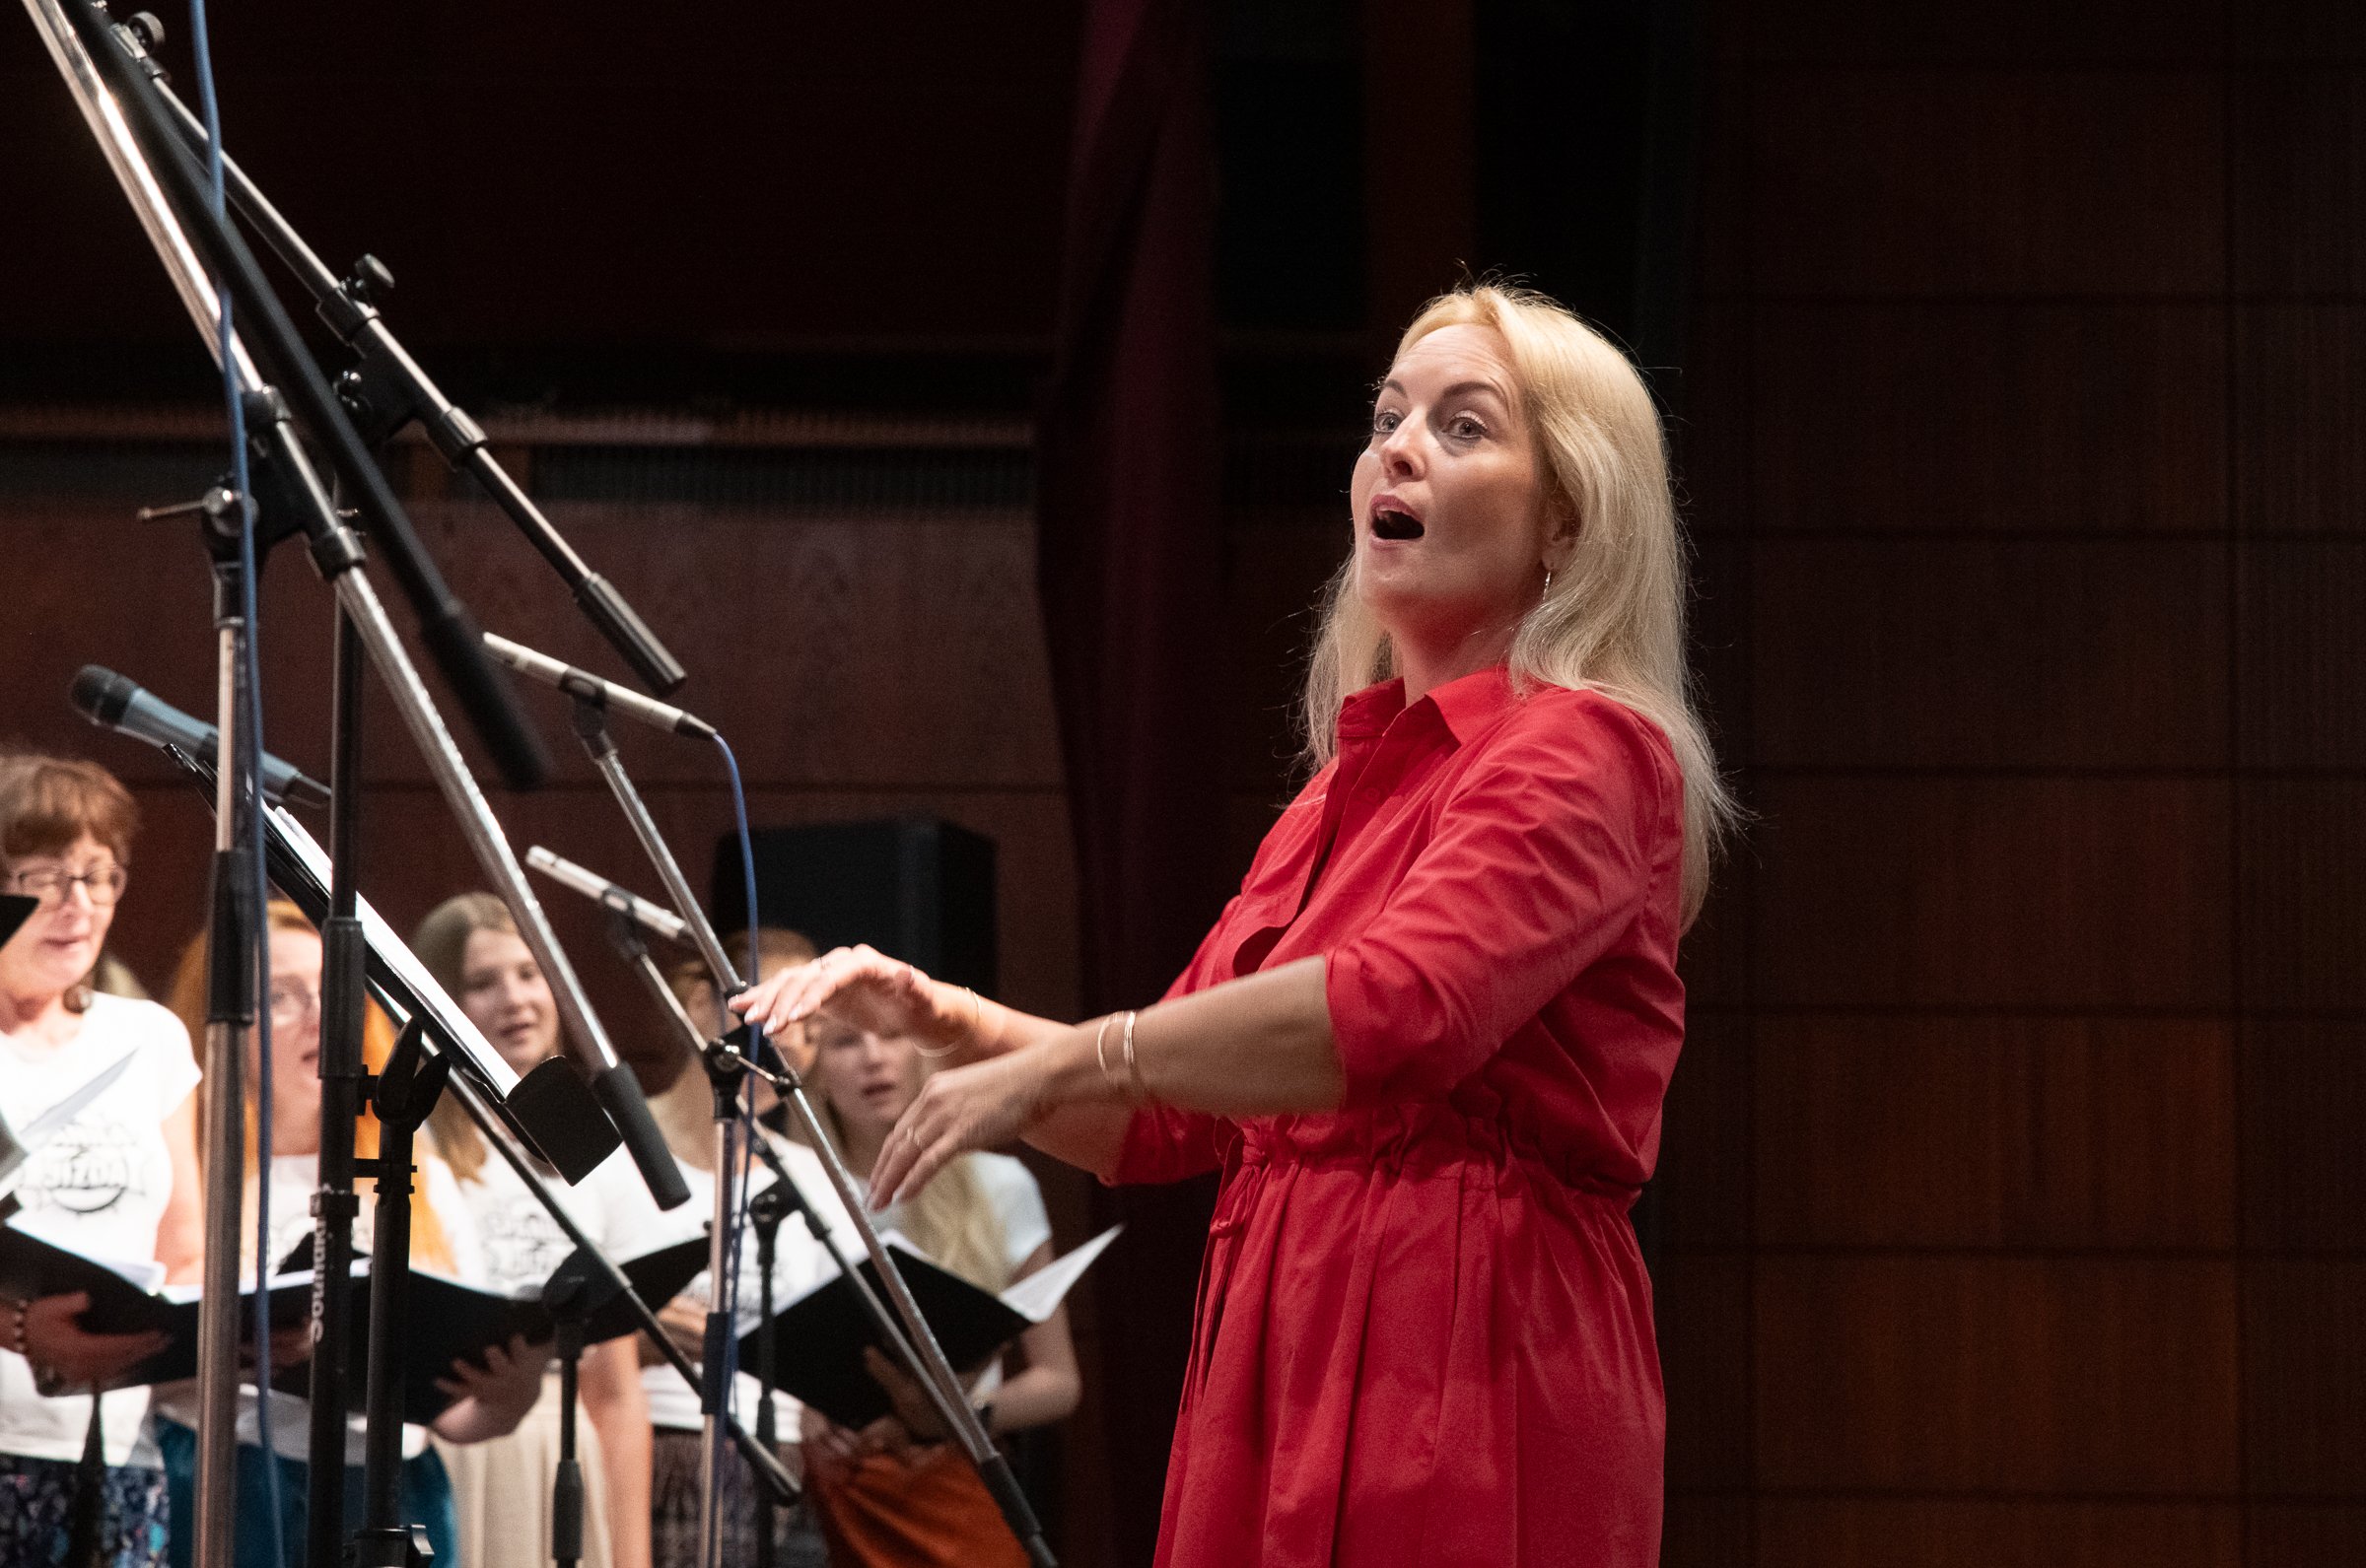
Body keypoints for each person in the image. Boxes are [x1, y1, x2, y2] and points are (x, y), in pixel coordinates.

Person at [735, 285, 1738, 1568]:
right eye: (1386, 418)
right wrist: (953, 1022)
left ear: (1568, 516)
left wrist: (1069, 1057)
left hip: (1471, 1354)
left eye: (1463, 425)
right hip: (1280, 1357)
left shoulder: (1589, 747)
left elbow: (1394, 1008)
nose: (1398, 448)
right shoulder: (1335, 795)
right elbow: (1157, 1117)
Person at [153, 902, 548, 1568]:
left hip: (392, 1487)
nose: (319, 1015)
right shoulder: (192, 1168)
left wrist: (512, 1393)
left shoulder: (410, 1166)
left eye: (331, 990)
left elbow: (450, 1413)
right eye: (280, 996)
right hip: (232, 1479)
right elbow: (142, 1345)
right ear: (222, 1024)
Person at [0, 753, 202, 1568]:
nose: (78, 904)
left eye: (98, 875)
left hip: (117, 1452)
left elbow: (184, 1247)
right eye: (46, 876)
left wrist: (207, 1332)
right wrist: (22, 1330)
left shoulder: (147, 1038)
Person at [411, 895, 655, 1568]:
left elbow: (616, 1391)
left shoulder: (594, 1148)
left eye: (528, 973)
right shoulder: (417, 1142)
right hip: (453, 1444)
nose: (515, 999)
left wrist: (632, 1556)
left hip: (567, 1448)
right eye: (482, 982)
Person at [790, 1009, 1080, 1568]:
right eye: (846, 1041)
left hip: (955, 1484)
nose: (874, 1057)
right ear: (815, 1071)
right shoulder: (792, 1187)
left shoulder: (1001, 1185)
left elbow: (1058, 1382)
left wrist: (953, 1418)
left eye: (893, 1035)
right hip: (828, 1492)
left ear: (927, 1056)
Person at [642, 928, 836, 1568]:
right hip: (655, 1441)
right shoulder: (620, 1146)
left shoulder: (812, 1176)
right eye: (781, 1012)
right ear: (701, 1006)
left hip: (780, 1460)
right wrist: (636, 1334)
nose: (795, 1042)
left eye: (813, 1030)